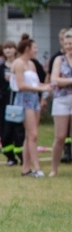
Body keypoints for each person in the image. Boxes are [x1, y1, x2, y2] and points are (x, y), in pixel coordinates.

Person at [11, 34, 51, 177]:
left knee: (30, 135)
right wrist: (40, 89)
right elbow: (21, 85)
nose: (36, 50)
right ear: (27, 48)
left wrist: (47, 86)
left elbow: (36, 83)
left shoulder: (32, 64)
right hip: (24, 99)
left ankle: (26, 168)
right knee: (33, 134)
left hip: (34, 99)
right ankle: (36, 167)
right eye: (34, 48)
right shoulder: (19, 63)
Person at [0, 41, 23, 166]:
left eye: (10, 48)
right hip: (3, 102)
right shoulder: (1, 67)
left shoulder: (20, 64)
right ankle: (10, 157)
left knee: (18, 130)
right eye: (6, 48)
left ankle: (22, 156)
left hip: (17, 101)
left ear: (15, 50)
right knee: (4, 130)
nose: (8, 50)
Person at [48, 29, 72, 176]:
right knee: (60, 136)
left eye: (71, 43)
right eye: (66, 43)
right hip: (61, 99)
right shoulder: (59, 60)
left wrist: (64, 81)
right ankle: (54, 169)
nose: (69, 46)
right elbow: (54, 79)